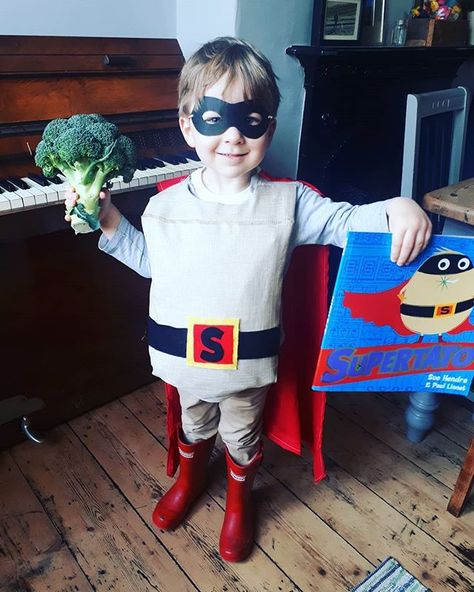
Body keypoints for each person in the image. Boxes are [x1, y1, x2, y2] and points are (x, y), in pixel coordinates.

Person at [65, 37, 432, 562]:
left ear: (269, 129)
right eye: (216, 118)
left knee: (241, 430)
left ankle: (239, 497)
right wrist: (106, 220)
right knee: (194, 423)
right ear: (190, 127)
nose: (234, 135)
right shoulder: (163, 206)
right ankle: (191, 478)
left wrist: (397, 206)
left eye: (252, 119)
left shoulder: (291, 202)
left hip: (248, 364)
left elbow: (346, 222)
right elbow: (153, 265)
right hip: (185, 361)